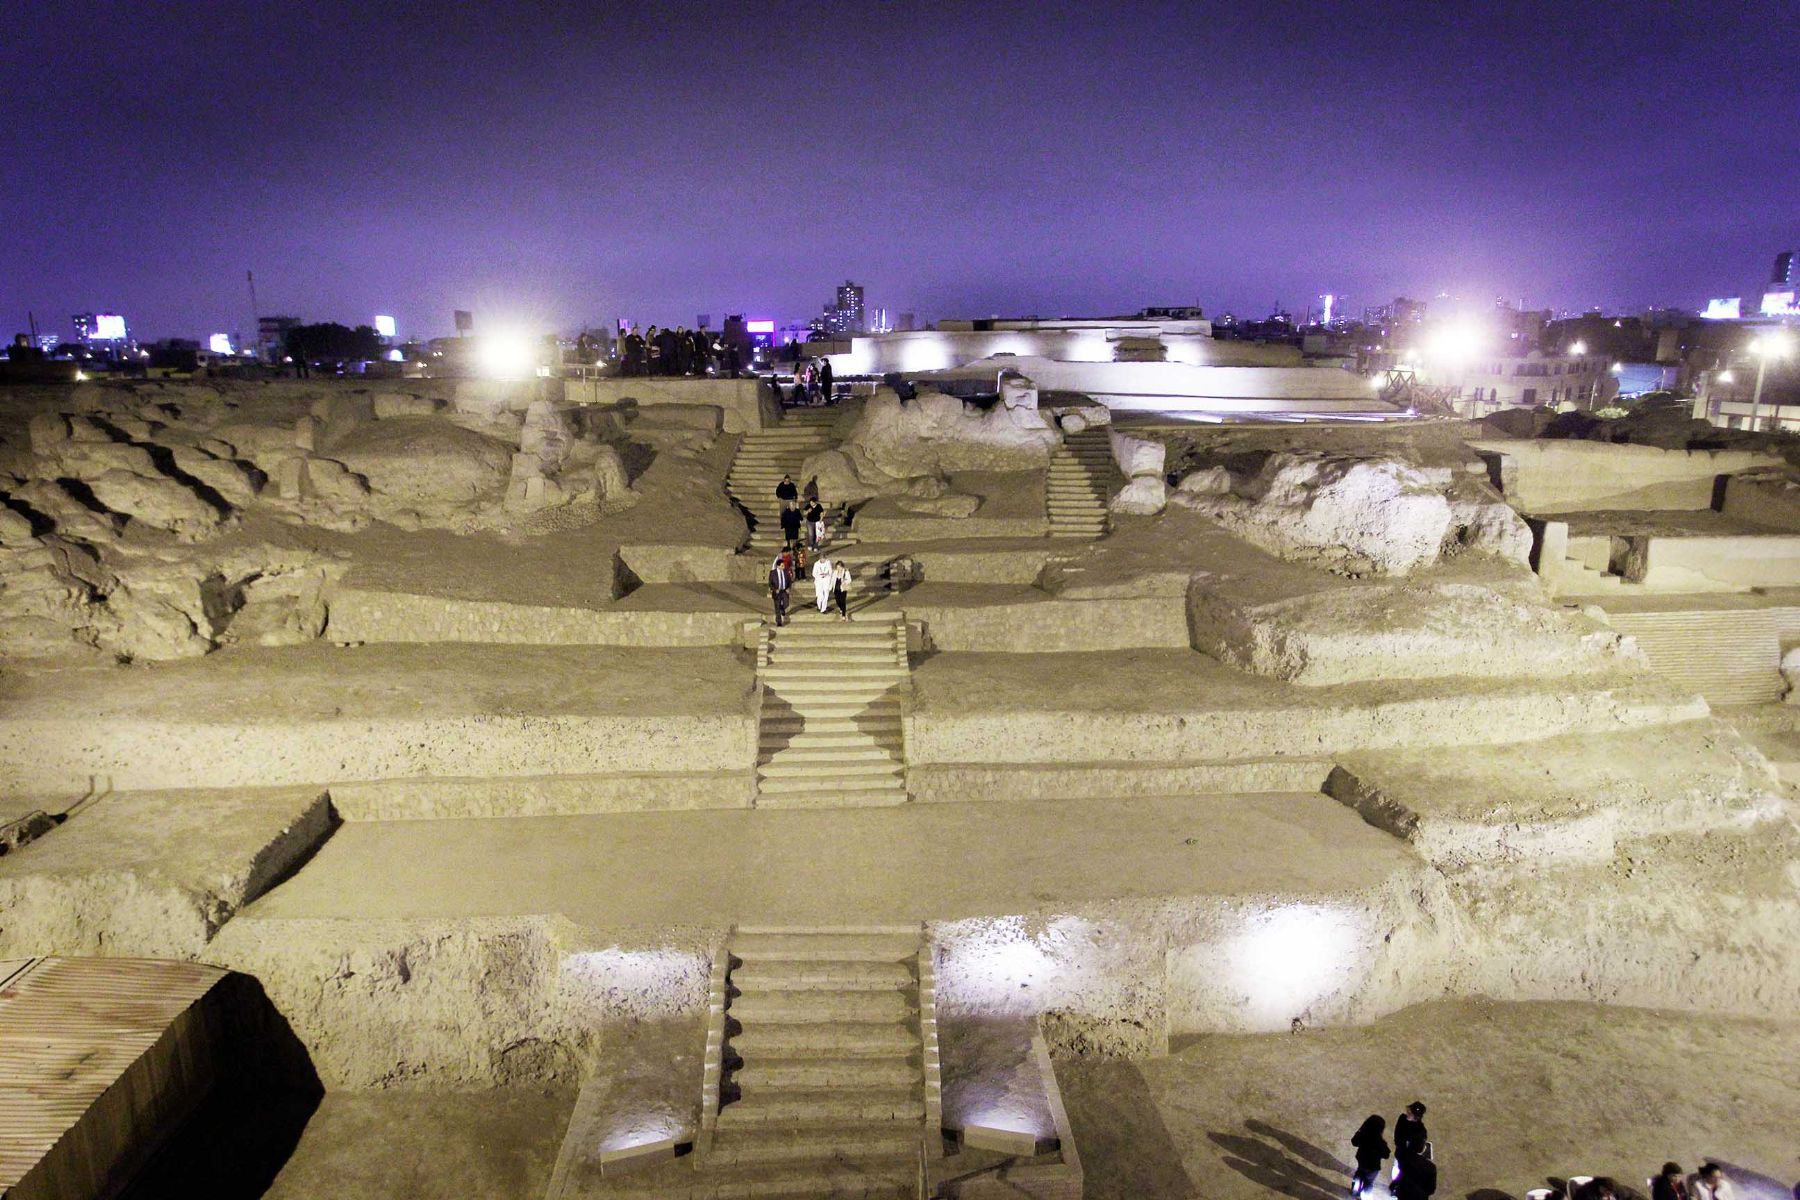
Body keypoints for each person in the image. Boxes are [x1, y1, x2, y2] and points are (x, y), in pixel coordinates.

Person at [1349, 1115, 1389, 1198]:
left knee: (1359, 1175)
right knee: (1369, 1182)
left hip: (1362, 1161)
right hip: (1373, 1167)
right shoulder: (1380, 1142)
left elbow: (1354, 1142)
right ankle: (1365, 1196)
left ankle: (1354, 1191)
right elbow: (1386, 1155)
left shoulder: (1363, 1135)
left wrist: (1360, 1130)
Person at [768, 553, 791, 627]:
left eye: (784, 565)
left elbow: (789, 581)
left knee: (786, 603)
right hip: (777, 592)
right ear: (778, 566)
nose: (783, 567)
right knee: (777, 607)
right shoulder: (773, 573)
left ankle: (782, 608)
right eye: (782, 565)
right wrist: (774, 589)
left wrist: (788, 588)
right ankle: (779, 621)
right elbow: (770, 583)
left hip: (784, 590)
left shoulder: (786, 572)